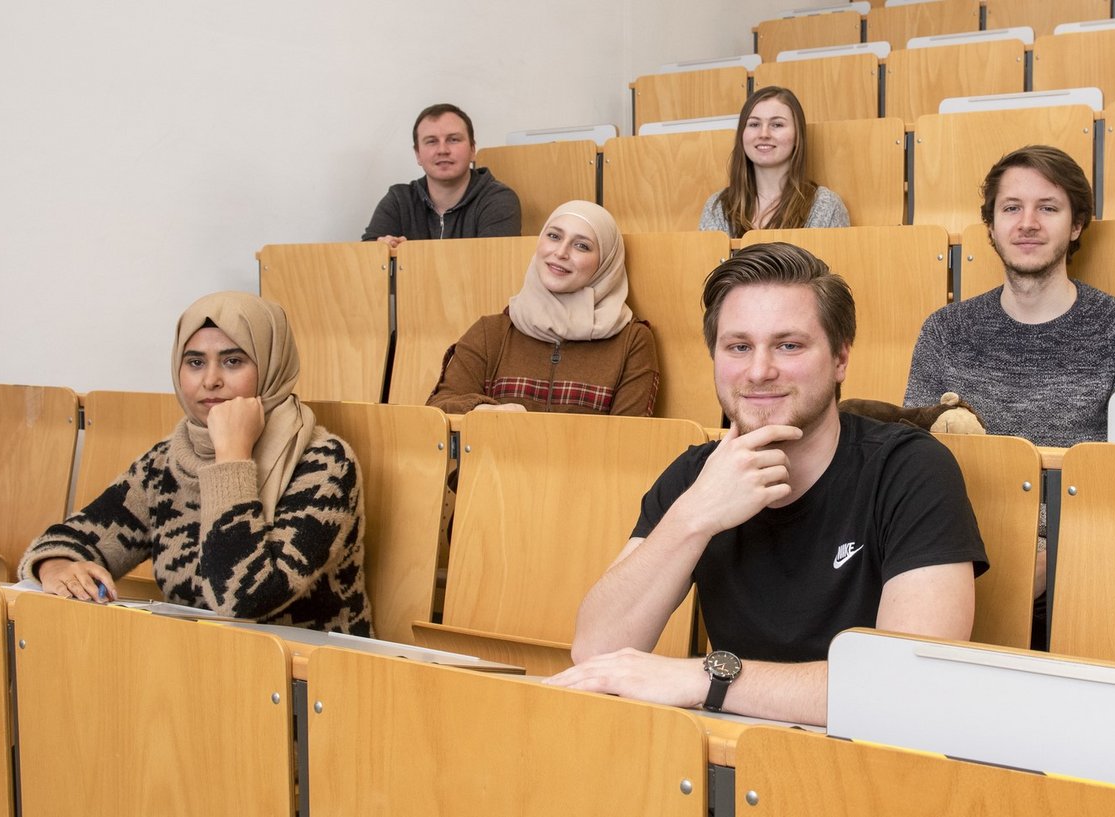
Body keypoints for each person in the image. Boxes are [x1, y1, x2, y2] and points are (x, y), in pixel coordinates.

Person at [547, 243, 986, 726]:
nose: (759, 371)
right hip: (734, 756)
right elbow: (596, 650)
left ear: (840, 359)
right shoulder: (698, 477)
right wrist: (696, 516)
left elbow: (908, 687)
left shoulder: (911, 469)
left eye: (788, 345)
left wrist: (705, 680)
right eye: (739, 347)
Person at [19, 292, 374, 635]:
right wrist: (57, 566)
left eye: (233, 361)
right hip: (195, 666)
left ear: (271, 365)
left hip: (310, 678)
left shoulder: (325, 464)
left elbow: (243, 599)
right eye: (195, 362)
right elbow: (71, 539)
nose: (210, 380)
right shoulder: (166, 462)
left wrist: (232, 458)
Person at [904, 145, 1115, 448]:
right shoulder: (944, 330)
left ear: (1076, 225)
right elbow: (914, 454)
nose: (1028, 223)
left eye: (1048, 208)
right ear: (990, 226)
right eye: (1011, 208)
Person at [426, 200, 660, 416]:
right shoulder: (491, 332)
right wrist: (481, 410)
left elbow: (630, 439)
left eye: (581, 246)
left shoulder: (633, 340)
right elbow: (439, 409)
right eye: (554, 236)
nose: (560, 253)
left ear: (606, 263)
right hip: (493, 461)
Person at [361, 103, 522, 248]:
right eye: (431, 141)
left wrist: (410, 257)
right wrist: (381, 250)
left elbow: (494, 267)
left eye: (453, 139)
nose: (442, 150)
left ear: (473, 150)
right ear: (418, 154)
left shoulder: (498, 200)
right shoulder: (399, 200)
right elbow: (368, 265)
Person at [699, 86, 849, 237]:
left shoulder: (826, 206)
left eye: (777, 125)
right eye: (754, 124)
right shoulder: (718, 207)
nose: (764, 134)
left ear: (797, 135)